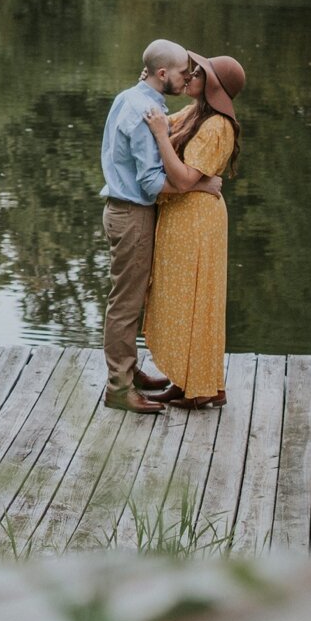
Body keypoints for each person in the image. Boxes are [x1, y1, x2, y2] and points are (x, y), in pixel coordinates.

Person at [98, 39, 223, 413]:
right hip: (133, 215)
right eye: (184, 73)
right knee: (126, 304)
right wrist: (199, 183)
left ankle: (130, 371)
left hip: (121, 210)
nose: (188, 80)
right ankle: (119, 388)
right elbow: (152, 184)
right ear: (163, 74)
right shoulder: (145, 112)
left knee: (128, 297)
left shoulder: (130, 98)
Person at [139, 52, 245, 409]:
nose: (190, 76)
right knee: (181, 297)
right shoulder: (197, 113)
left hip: (197, 221)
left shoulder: (218, 126)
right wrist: (148, 86)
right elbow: (163, 124)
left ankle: (203, 387)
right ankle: (188, 381)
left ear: (212, 85)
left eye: (197, 74)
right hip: (184, 215)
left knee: (197, 298)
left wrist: (159, 135)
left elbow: (184, 178)